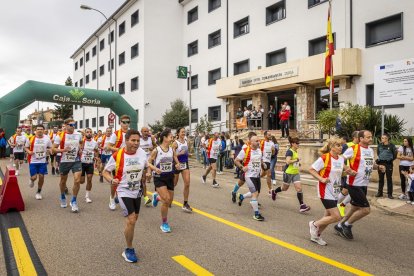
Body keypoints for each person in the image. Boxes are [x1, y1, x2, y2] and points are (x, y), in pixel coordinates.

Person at [102, 129, 147, 263]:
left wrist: (148, 172)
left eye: (138, 141)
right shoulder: (118, 155)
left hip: (137, 190)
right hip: (123, 189)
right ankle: (128, 249)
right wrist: (111, 180)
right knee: (131, 220)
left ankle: (119, 201)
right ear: (126, 141)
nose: (136, 143)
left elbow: (146, 165)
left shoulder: (142, 153)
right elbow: (105, 172)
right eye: (133, 140)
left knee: (135, 219)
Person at [336, 130, 385, 240]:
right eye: (368, 137)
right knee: (365, 210)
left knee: (355, 207)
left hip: (364, 184)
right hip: (354, 184)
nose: (370, 139)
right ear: (361, 139)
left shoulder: (371, 151)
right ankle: (347, 225)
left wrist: (379, 167)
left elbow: (370, 165)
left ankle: (339, 225)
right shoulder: (353, 149)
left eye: (371, 137)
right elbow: (339, 160)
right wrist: (347, 169)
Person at [308, 137, 356, 246]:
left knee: (328, 216)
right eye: (338, 145)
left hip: (335, 191)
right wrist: (321, 179)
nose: (341, 147)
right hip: (325, 190)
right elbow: (311, 169)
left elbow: (342, 171)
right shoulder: (324, 158)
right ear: (332, 147)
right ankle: (314, 224)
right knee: (337, 216)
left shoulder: (340, 159)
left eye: (341, 145)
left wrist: (350, 172)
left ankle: (316, 235)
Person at [147, 128, 180, 233]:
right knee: (166, 200)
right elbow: (149, 162)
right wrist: (151, 170)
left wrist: (178, 164)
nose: (172, 137)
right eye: (170, 135)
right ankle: (164, 223)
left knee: (169, 201)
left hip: (169, 176)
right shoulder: (156, 150)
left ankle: (156, 197)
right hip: (159, 177)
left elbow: (175, 158)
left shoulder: (171, 149)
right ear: (165, 138)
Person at [271, 136, 311, 213]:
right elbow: (287, 161)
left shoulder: (295, 151)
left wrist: (297, 163)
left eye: (299, 143)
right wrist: (296, 160)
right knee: (284, 188)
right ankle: (274, 192)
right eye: (297, 143)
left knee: (299, 188)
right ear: (292, 144)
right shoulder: (289, 151)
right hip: (288, 173)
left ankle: (302, 206)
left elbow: (294, 161)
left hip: (295, 173)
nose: (298, 144)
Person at [53, 118, 83, 212]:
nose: (73, 126)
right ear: (65, 125)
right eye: (71, 125)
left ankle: (74, 201)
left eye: (74, 124)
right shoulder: (60, 136)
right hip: (64, 160)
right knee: (63, 181)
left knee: (77, 180)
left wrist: (80, 148)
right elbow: (53, 149)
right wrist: (63, 150)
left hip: (76, 160)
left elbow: (81, 143)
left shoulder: (78, 134)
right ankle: (62, 196)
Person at [234, 134, 265, 221]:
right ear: (251, 142)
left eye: (258, 140)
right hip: (249, 176)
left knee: (257, 193)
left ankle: (242, 197)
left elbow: (260, 160)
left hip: (257, 176)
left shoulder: (259, 150)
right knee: (254, 194)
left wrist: (263, 165)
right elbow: (236, 160)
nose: (258, 142)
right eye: (256, 141)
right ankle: (256, 214)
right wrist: (242, 167)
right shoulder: (245, 150)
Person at [108, 114, 131, 210]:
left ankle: (124, 198)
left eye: (127, 122)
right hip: (117, 160)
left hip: (129, 160)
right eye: (124, 122)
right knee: (116, 181)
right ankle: (112, 198)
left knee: (128, 180)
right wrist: (119, 150)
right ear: (120, 123)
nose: (126, 124)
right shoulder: (116, 134)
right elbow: (109, 146)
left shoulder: (131, 133)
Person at [25, 125, 53, 200]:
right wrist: (29, 152)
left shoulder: (47, 138)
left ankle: (38, 192)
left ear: (43, 130)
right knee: (34, 177)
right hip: (33, 161)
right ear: (35, 130)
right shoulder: (31, 138)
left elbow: (50, 147)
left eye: (41, 129)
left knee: (41, 176)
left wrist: (50, 150)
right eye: (38, 129)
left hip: (42, 160)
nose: (40, 130)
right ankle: (31, 180)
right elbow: (26, 147)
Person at [337, 131, 359, 216]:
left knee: (354, 192)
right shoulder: (347, 145)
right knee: (346, 191)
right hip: (348, 172)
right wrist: (344, 168)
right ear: (355, 137)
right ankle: (335, 205)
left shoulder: (360, 147)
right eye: (358, 136)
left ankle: (341, 205)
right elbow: (340, 157)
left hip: (356, 174)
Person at [231, 132, 256, 203]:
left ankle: (254, 199)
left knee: (255, 187)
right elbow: (239, 159)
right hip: (246, 170)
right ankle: (234, 192)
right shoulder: (245, 147)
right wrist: (242, 167)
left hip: (254, 171)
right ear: (250, 139)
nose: (256, 140)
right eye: (254, 139)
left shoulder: (257, 146)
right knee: (241, 183)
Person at [172, 127, 192, 212]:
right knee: (174, 184)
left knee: (187, 183)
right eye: (182, 132)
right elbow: (173, 155)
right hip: (177, 164)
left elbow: (186, 153)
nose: (184, 133)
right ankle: (168, 198)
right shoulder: (175, 143)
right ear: (178, 133)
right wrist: (180, 153)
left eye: (185, 132)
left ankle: (185, 203)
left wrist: (189, 154)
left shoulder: (187, 142)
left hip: (185, 164)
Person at [80, 128, 99, 203]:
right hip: (82, 163)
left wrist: (96, 158)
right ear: (85, 133)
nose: (89, 133)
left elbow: (96, 151)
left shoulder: (94, 142)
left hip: (90, 163)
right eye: (87, 132)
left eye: (90, 132)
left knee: (89, 178)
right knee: (81, 181)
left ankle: (87, 196)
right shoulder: (82, 141)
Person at [375, 133, 397, 199]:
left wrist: (389, 160)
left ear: (387, 139)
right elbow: (378, 153)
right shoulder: (379, 146)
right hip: (381, 163)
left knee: (389, 179)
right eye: (381, 138)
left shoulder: (392, 146)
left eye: (383, 138)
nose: (382, 139)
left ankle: (390, 194)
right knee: (380, 179)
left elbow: (395, 155)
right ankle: (380, 192)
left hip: (388, 164)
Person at [140, 126, 157, 206]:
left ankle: (146, 197)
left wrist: (152, 148)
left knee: (144, 179)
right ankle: (142, 192)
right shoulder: (138, 139)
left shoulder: (151, 138)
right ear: (141, 132)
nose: (146, 133)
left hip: (148, 161)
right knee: (141, 180)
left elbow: (156, 147)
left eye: (147, 131)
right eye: (145, 131)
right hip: (139, 161)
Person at [260, 131, 275, 196]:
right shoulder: (262, 142)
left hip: (269, 160)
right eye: (269, 135)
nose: (270, 136)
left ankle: (256, 177)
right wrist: (262, 162)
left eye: (270, 135)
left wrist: (273, 150)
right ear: (265, 136)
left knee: (263, 174)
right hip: (264, 160)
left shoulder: (272, 143)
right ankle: (270, 190)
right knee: (269, 174)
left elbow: (273, 154)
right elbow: (259, 152)